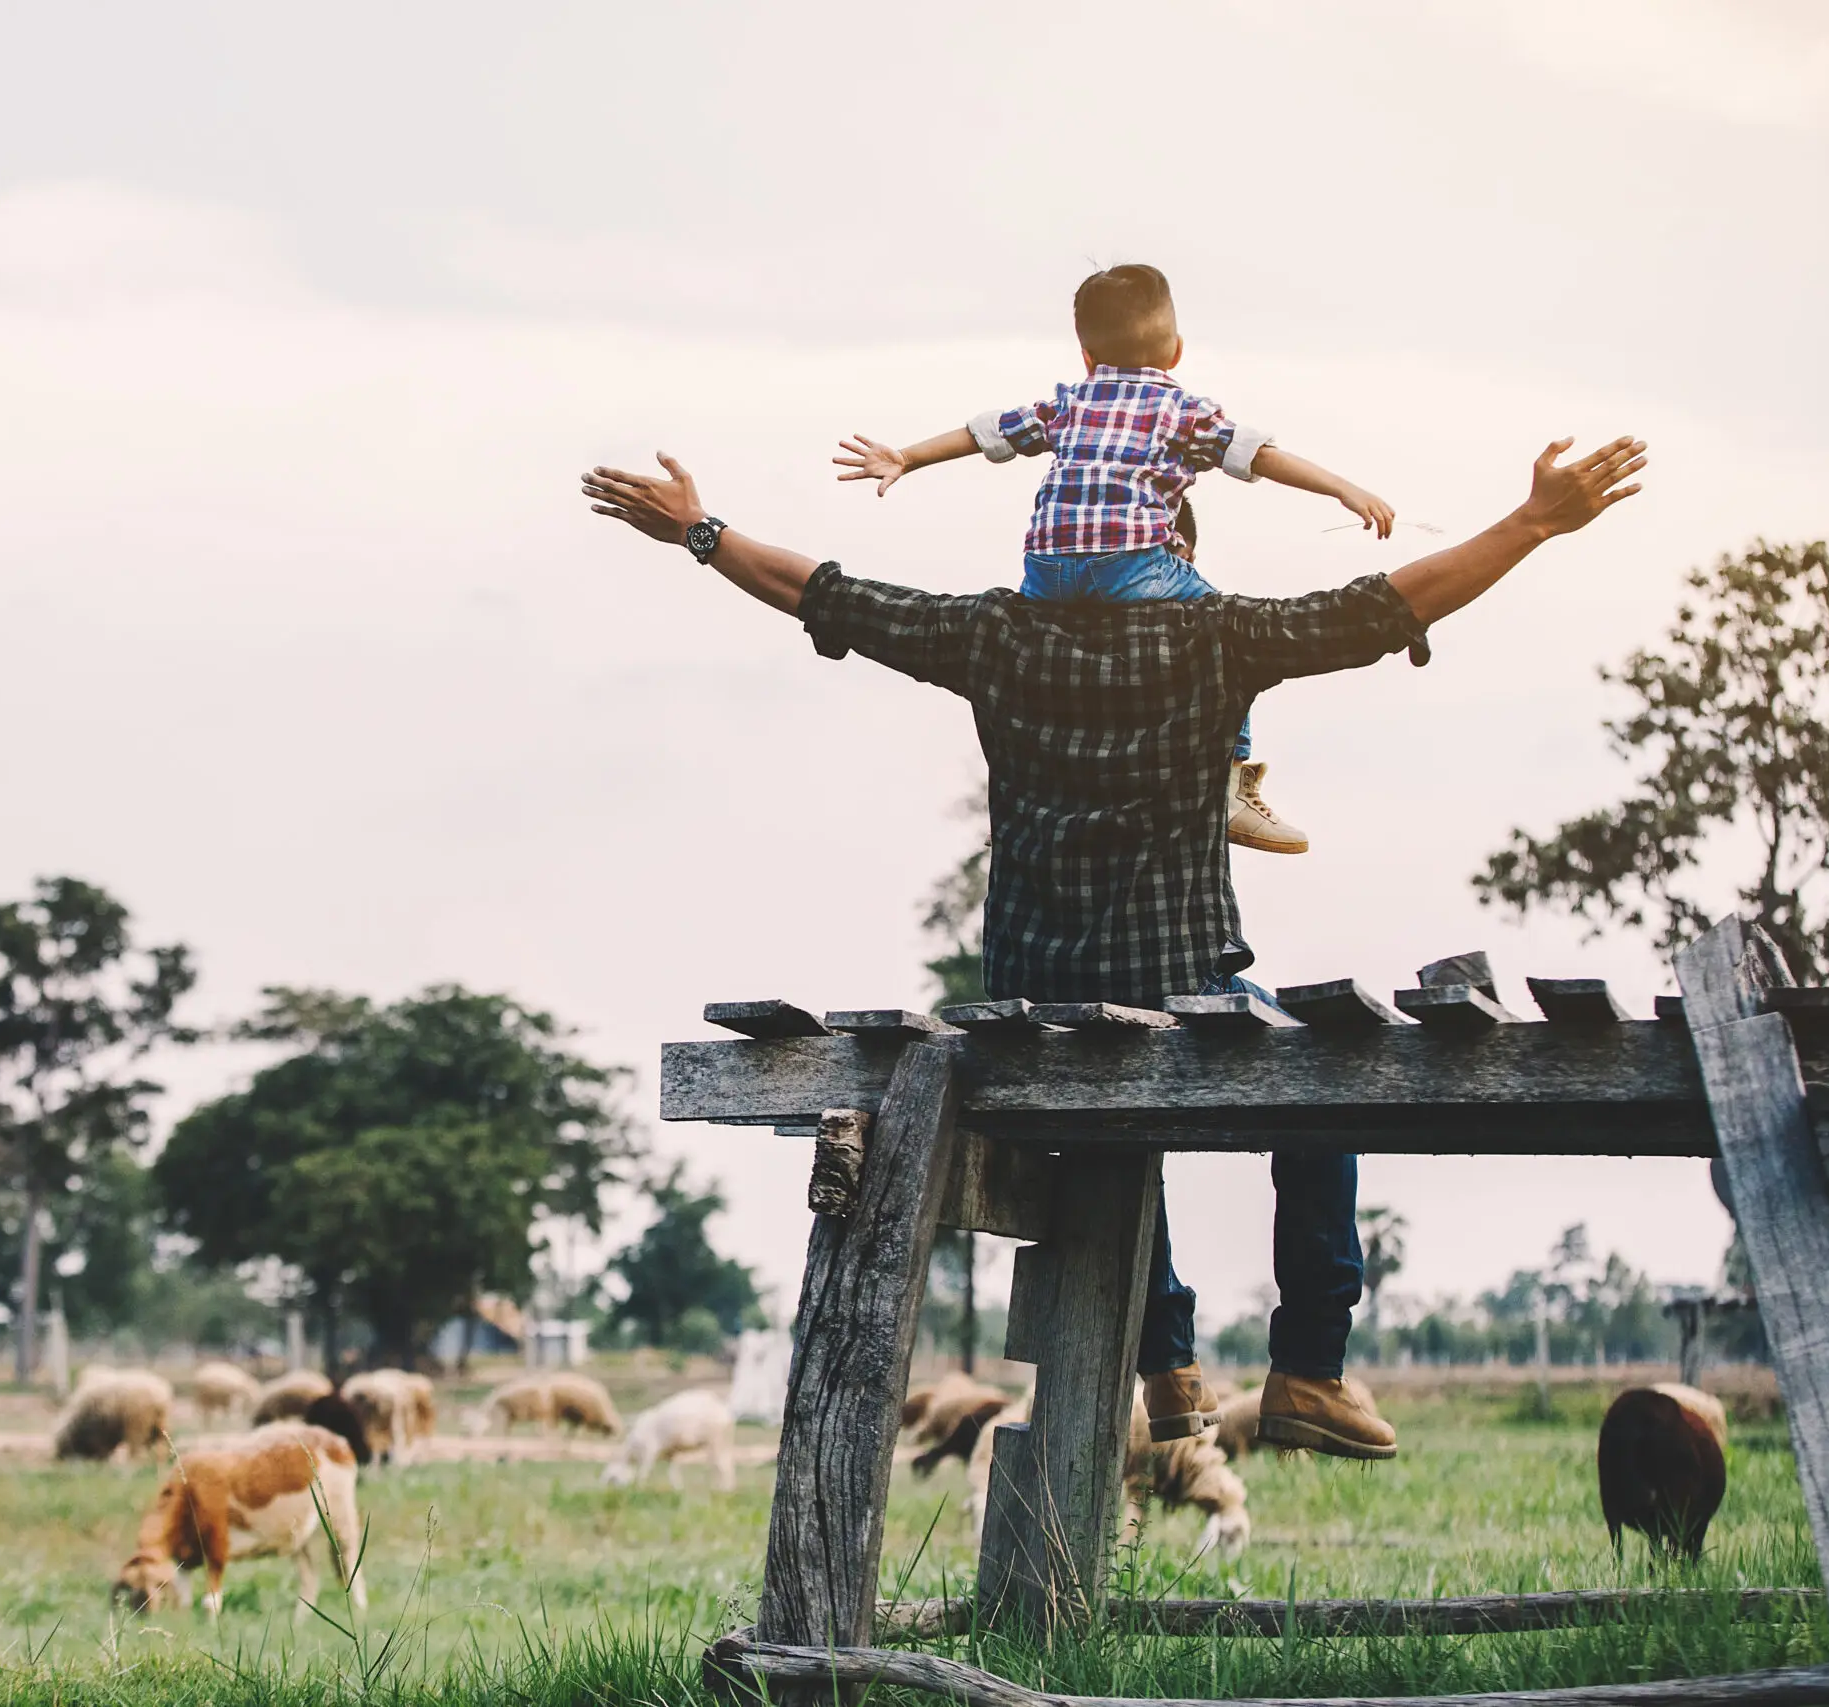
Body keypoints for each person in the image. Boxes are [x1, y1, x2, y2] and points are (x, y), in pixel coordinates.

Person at [583, 433, 1646, 1457]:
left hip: (1035, 996)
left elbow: (824, 594)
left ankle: (1167, 1368)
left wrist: (701, 531)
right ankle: (1308, 1370)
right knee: (1328, 1089)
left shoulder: (994, 636)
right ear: (1171, 550)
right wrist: (1532, 523)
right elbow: (1384, 607)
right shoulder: (1213, 636)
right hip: (1179, 977)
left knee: (1107, 1137)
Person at [832, 264, 1397, 857]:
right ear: (1176, 351)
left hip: (1045, 573)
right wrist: (1342, 487)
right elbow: (1257, 455)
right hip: (1130, 565)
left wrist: (908, 458)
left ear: (1084, 354)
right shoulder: (1181, 410)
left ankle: (1033, 789)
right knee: (1232, 635)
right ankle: (1230, 777)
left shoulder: (1070, 403)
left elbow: (986, 434)